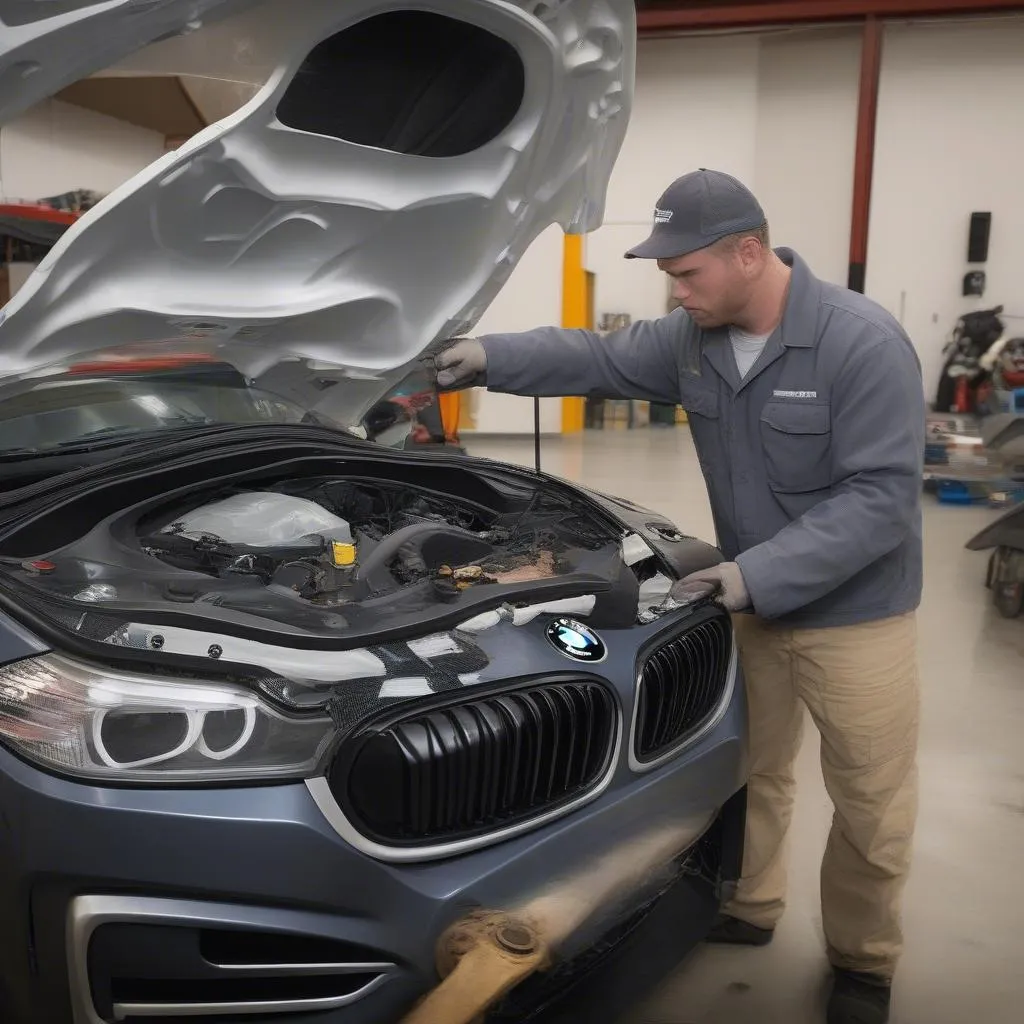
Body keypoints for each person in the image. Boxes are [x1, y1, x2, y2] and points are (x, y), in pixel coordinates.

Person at [432, 168, 925, 1024]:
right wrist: (485, 359)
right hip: (755, 607)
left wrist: (752, 576)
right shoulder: (694, 340)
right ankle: (751, 904)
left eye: (687, 271)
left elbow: (879, 501)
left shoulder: (860, 343)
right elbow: (593, 356)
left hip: (855, 618)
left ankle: (864, 960)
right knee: (755, 773)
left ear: (748, 252)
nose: (674, 288)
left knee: (871, 804)